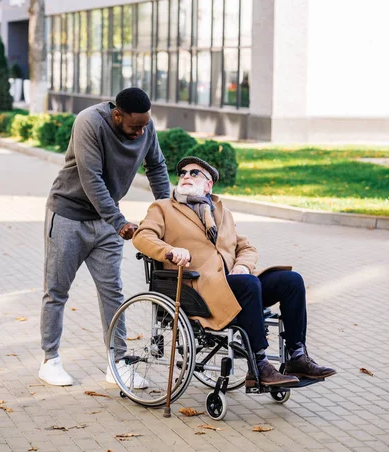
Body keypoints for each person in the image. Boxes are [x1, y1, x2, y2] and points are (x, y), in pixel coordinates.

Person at [133, 156, 336, 387]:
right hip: (199, 287)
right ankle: (258, 364)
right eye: (183, 173)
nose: (186, 176)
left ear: (209, 185)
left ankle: (297, 356)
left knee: (291, 281)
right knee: (249, 285)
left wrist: (242, 266)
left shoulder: (221, 212)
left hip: (231, 281)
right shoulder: (163, 208)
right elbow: (143, 236)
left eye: (194, 173)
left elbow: (246, 247)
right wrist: (169, 250)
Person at [39, 88, 171, 387]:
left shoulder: (145, 127)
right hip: (68, 216)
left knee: (112, 292)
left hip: (106, 221)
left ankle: (118, 363)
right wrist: (119, 221)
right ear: (116, 114)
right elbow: (91, 177)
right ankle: (50, 360)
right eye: (134, 127)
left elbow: (157, 167)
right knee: (56, 291)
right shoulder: (89, 122)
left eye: (145, 126)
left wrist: (168, 213)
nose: (140, 132)